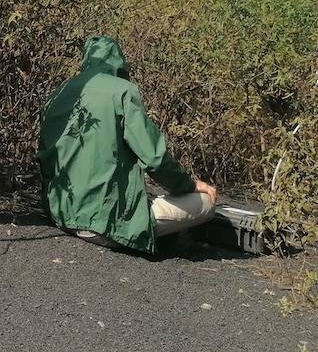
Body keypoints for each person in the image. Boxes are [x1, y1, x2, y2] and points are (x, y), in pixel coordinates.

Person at [37, 35, 219, 255]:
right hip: (105, 224)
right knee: (206, 203)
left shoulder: (61, 91)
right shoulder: (123, 91)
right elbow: (155, 159)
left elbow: (45, 153)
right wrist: (189, 185)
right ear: (119, 61)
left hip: (61, 213)